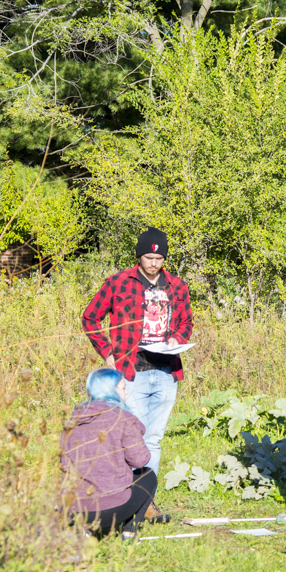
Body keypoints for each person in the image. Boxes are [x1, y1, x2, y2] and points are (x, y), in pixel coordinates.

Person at [82, 227, 193, 522]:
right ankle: (122, 499)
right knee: (131, 438)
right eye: (148, 256)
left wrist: (176, 339)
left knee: (154, 440)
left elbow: (185, 323)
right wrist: (106, 352)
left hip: (166, 370)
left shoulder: (177, 286)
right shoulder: (119, 283)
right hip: (132, 372)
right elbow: (90, 317)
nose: (154, 262)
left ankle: (145, 502)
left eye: (159, 257)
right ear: (139, 256)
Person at [60, 368, 157, 537]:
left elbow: (63, 463)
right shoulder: (122, 418)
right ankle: (129, 534)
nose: (126, 393)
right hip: (111, 510)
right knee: (148, 475)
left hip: (74, 509)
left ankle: (83, 530)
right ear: (111, 391)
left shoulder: (72, 421)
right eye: (122, 388)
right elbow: (140, 460)